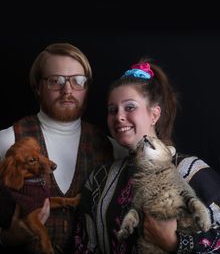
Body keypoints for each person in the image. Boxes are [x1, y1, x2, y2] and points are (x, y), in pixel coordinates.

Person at [75, 58, 220, 253]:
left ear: (154, 114)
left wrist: (174, 243)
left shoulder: (193, 171)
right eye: (112, 110)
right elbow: (83, 243)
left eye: (130, 107)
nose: (119, 116)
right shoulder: (99, 179)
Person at [0, 42, 116, 254]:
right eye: (55, 81)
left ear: (87, 88)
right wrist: (6, 237)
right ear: (38, 86)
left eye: (78, 81)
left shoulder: (111, 147)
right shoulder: (3, 143)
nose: (67, 90)